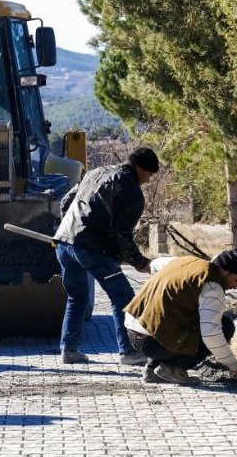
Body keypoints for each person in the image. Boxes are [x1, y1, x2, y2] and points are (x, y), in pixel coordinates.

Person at [53, 146, 160, 366]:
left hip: (63, 244)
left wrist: (72, 232)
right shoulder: (131, 191)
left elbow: (65, 203)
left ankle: (69, 350)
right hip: (91, 250)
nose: (148, 180)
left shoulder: (95, 173)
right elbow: (122, 236)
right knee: (124, 298)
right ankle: (129, 352)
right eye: (149, 174)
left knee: (77, 297)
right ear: (141, 168)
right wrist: (141, 263)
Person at [123, 248, 237, 386]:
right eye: (236, 280)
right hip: (153, 344)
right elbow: (211, 335)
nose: (235, 286)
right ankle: (173, 369)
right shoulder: (213, 288)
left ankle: (151, 370)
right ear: (224, 271)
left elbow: (154, 265)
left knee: (180, 318)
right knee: (225, 326)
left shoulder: (185, 261)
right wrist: (236, 368)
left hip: (132, 331)